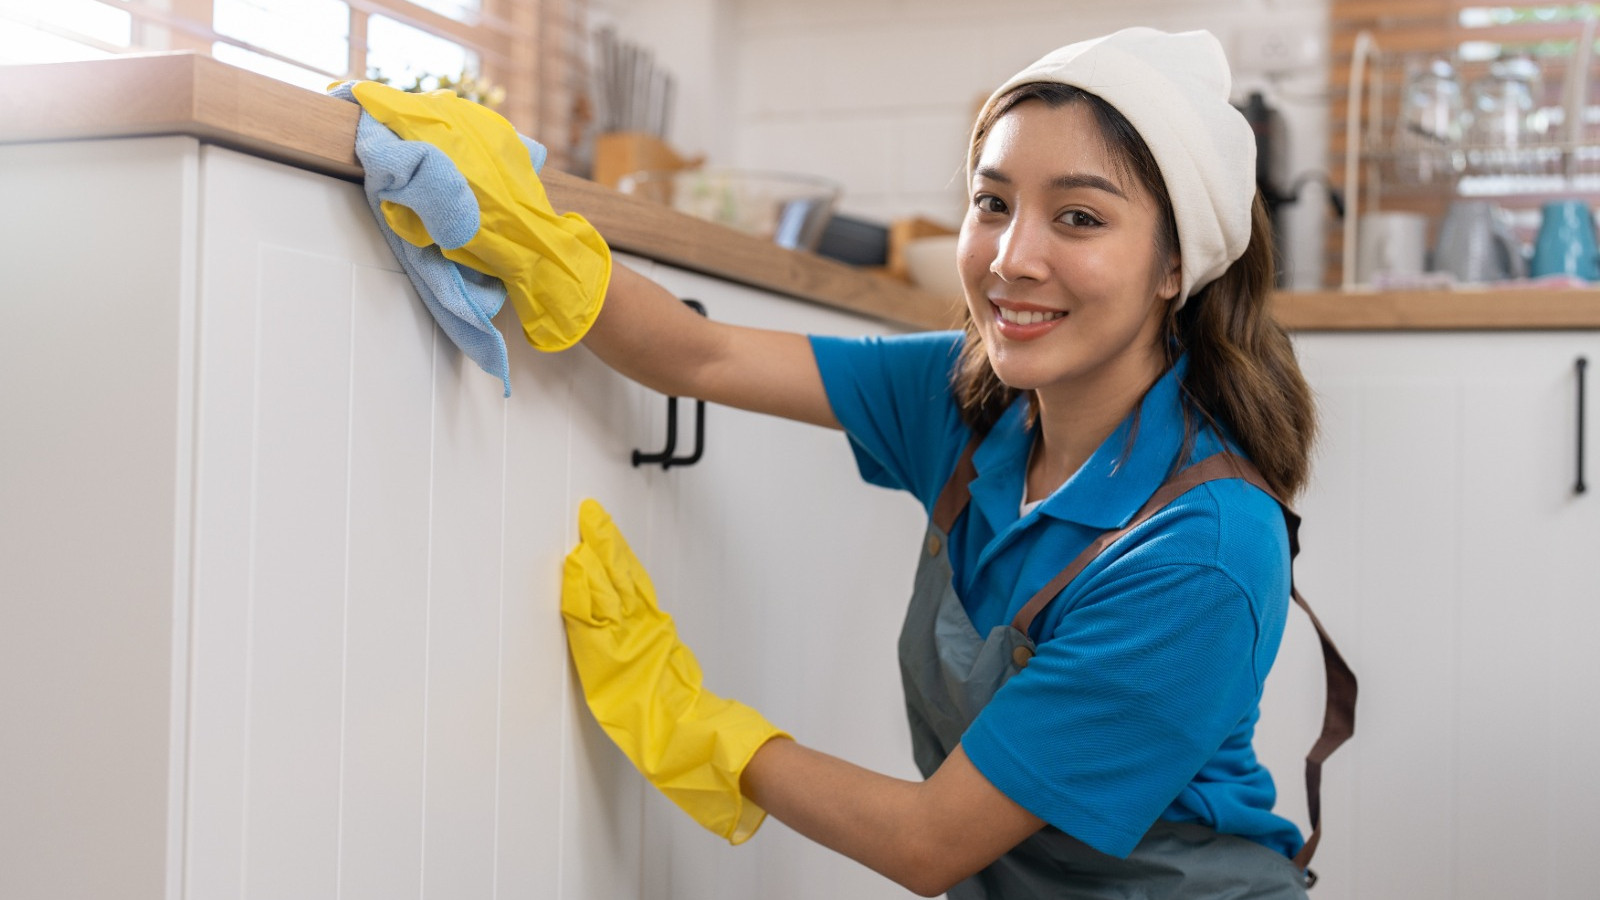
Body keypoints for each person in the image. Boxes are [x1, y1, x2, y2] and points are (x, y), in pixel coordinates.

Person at [349, 25, 1352, 900]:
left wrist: (691, 724)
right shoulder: (975, 403)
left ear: (1176, 264)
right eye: (991, 201)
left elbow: (929, 844)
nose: (1010, 257)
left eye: (1078, 216)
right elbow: (701, 353)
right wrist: (527, 237)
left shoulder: (1200, 554)